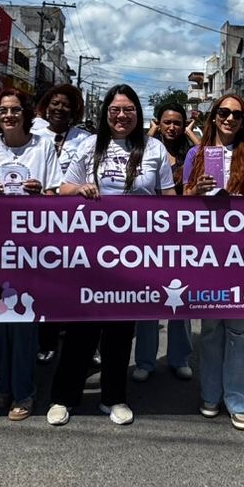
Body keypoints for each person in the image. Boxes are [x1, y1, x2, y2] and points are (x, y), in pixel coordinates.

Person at [51, 85, 174, 427]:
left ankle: (114, 397)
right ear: (106, 113)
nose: (122, 116)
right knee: (81, 328)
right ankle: (64, 397)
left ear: (138, 113)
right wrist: (80, 189)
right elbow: (63, 188)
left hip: (134, 254)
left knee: (120, 329)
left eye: (129, 110)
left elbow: (169, 198)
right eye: (115, 110)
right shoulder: (90, 145)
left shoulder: (154, 148)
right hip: (90, 253)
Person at [183, 95, 244, 430]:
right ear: (214, 116)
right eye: (224, 112)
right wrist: (197, 190)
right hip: (207, 254)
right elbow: (182, 201)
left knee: (240, 330)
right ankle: (210, 394)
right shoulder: (195, 154)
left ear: (243, 120)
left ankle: (239, 399)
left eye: (237, 114)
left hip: (243, 253)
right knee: (210, 330)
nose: (230, 118)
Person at [0, 89, 58, 421]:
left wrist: (42, 192)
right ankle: (3, 381)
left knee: (23, 319)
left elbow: (55, 192)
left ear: (26, 114)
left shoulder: (44, 146)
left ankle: (24, 390)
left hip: (31, 245)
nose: (9, 115)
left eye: (15, 110)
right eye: (3, 111)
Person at [132, 105, 199, 382]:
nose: (172, 127)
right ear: (158, 123)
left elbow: (208, 154)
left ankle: (180, 358)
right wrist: (150, 132)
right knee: (148, 298)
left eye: (178, 123)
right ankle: (145, 361)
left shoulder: (192, 154)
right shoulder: (147, 151)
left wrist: (192, 133)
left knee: (180, 299)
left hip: (185, 235)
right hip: (149, 234)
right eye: (166, 122)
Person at [32, 83, 89, 364]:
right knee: (44, 284)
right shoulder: (32, 133)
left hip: (74, 222)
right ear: (46, 106)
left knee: (74, 285)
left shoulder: (85, 139)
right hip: (37, 221)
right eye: (55, 103)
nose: (59, 109)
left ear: (75, 110)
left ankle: (85, 344)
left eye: (66, 105)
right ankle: (46, 340)